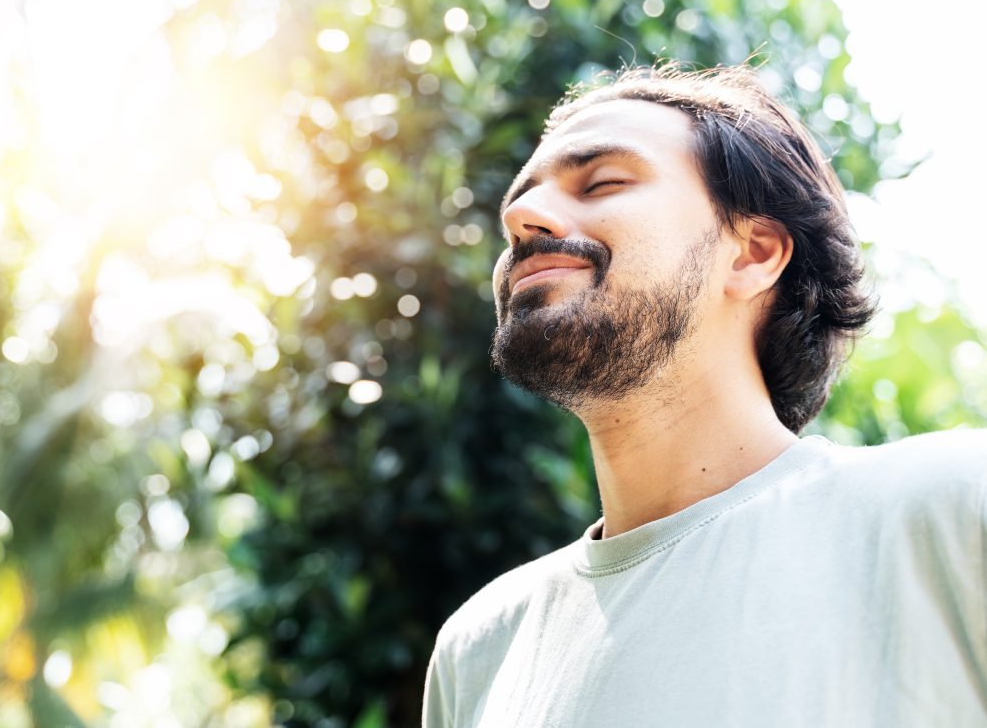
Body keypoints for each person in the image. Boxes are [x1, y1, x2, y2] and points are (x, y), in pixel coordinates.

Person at [421, 63, 987, 727]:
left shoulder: (953, 505)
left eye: (602, 181)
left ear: (752, 254)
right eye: (518, 205)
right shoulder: (480, 647)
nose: (519, 216)